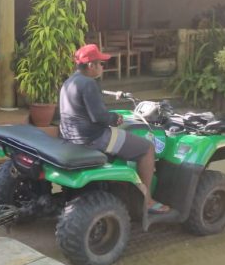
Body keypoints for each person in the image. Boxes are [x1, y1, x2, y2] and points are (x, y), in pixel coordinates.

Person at [59, 44, 170, 214]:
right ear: (91, 65)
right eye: (101, 64)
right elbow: (99, 117)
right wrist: (114, 118)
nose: (103, 67)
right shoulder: (88, 83)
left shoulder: (69, 81)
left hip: (71, 136)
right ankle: (147, 200)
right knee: (147, 148)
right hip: (93, 138)